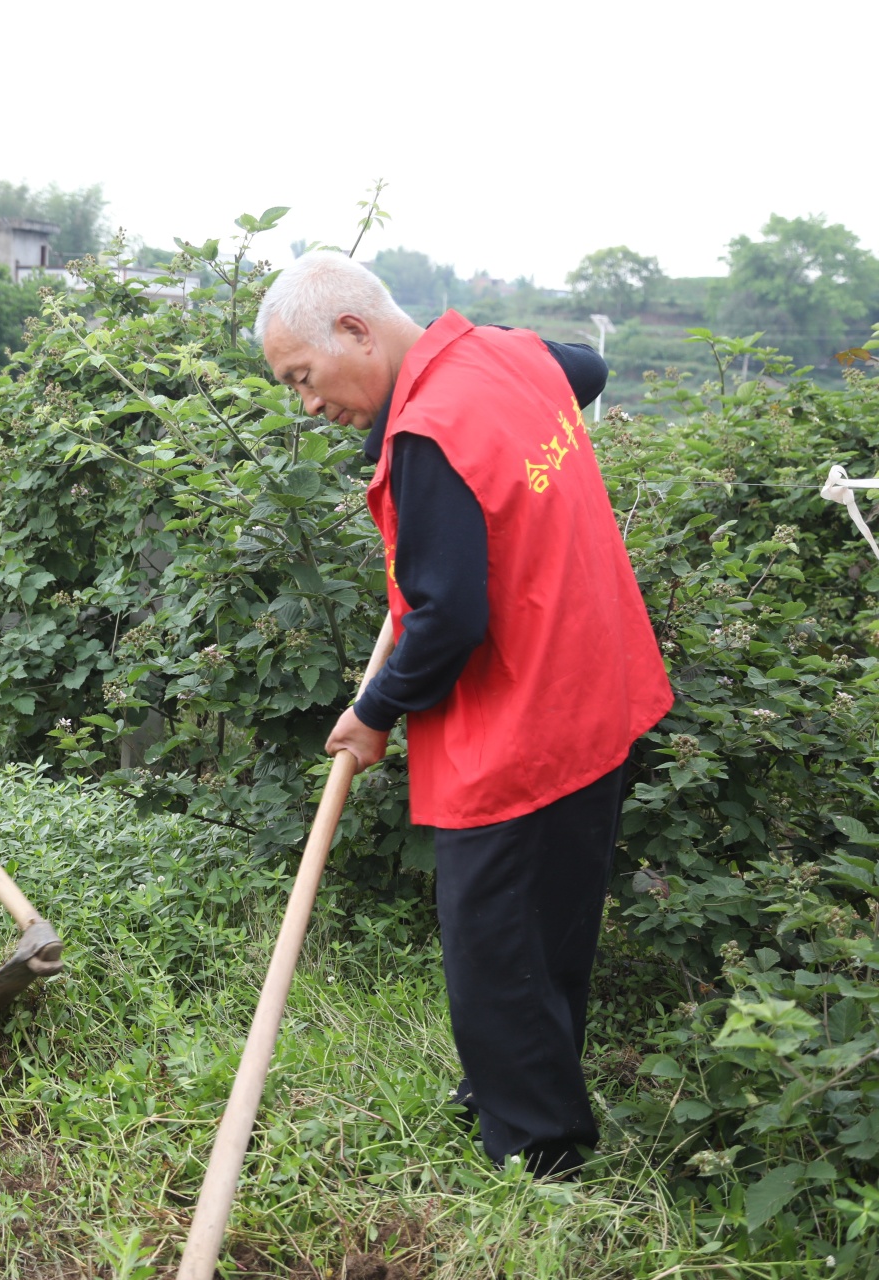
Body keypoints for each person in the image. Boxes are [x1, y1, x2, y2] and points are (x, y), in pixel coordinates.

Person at [254, 251, 672, 1177]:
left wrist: (372, 713)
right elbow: (587, 369)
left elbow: (449, 621)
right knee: (553, 927)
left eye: (304, 378)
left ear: (356, 332)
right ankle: (516, 1088)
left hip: (523, 719)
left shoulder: (429, 436)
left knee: (494, 950)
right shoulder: (506, 355)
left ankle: (539, 1153)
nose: (309, 404)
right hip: (598, 688)